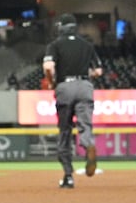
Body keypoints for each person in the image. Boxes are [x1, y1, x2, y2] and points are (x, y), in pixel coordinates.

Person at [42, 14, 101, 189]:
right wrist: (84, 76)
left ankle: (68, 175)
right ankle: (88, 145)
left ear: (61, 28)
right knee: (85, 125)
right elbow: (98, 71)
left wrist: (51, 81)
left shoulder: (55, 45)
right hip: (84, 86)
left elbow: (48, 67)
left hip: (64, 87)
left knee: (65, 131)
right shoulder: (87, 45)